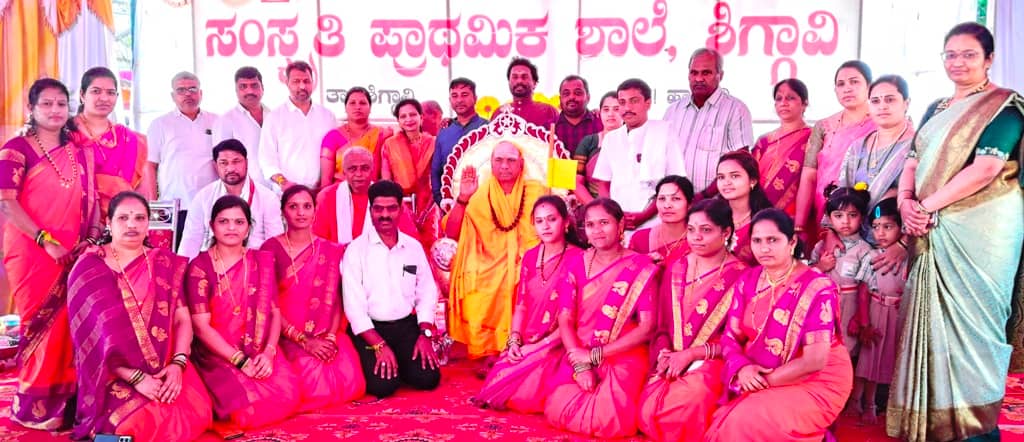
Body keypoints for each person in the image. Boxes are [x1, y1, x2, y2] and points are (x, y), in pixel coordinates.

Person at [889, 22, 1024, 442]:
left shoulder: (1005, 107)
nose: (958, 62)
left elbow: (986, 168)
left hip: (982, 234)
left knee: (977, 325)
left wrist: (924, 208)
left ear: (989, 59)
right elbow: (912, 161)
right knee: (931, 326)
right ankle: (932, 424)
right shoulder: (936, 108)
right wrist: (905, 202)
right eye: (951, 54)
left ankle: (977, 430)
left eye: (969, 54)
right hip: (931, 227)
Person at [68, 192, 212, 441]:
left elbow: (182, 319)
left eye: (139, 218)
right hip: (110, 372)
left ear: (148, 224)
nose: (132, 224)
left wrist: (177, 365)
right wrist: (136, 378)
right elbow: (89, 343)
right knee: (128, 426)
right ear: (109, 223)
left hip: (165, 364)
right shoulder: (89, 268)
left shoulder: (164, 263)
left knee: (194, 412)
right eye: (123, 218)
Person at [1, 78, 100, 430]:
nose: (55, 110)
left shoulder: (80, 150)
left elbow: (92, 200)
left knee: (70, 327)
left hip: (75, 252)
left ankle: (69, 405)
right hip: (32, 252)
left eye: (61, 103)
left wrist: (91, 238)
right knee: (39, 325)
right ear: (31, 108)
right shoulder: (16, 149)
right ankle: (35, 406)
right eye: (46, 103)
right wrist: (46, 241)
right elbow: (6, 203)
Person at [706, 209, 853, 441]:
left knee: (742, 421)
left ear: (792, 242)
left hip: (816, 377)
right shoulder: (748, 281)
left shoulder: (818, 287)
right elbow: (731, 337)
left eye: (772, 240)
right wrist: (742, 369)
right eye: (757, 241)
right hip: (760, 369)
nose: (764, 248)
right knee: (718, 407)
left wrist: (759, 383)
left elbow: (814, 361)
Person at [543, 198, 657, 438]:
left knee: (609, 419)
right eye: (590, 224)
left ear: (620, 224)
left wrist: (596, 355)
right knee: (558, 407)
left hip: (622, 351)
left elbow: (647, 327)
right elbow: (565, 318)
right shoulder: (576, 263)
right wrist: (581, 363)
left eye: (604, 222)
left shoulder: (640, 266)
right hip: (580, 347)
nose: (597, 230)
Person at [637, 198, 748, 442]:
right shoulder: (677, 267)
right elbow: (663, 325)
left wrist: (691, 355)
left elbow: (740, 339)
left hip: (713, 358)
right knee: (648, 408)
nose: (696, 237)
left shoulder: (742, 276)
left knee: (689, 399)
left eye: (706, 230)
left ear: (726, 232)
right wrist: (664, 351)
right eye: (691, 229)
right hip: (673, 354)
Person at [186, 195, 299, 429]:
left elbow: (274, 312)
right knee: (245, 410)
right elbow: (200, 327)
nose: (231, 228)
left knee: (288, 395)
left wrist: (269, 353)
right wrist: (240, 360)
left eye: (239, 222)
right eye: (224, 221)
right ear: (212, 226)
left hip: (258, 347)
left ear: (248, 228)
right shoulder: (200, 267)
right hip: (218, 352)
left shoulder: (261, 262)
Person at [474, 196, 584, 412]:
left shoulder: (579, 258)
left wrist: (539, 347)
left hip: (561, 340)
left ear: (566, 222)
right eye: (539, 221)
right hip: (528, 336)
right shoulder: (531, 257)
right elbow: (521, 305)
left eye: (552, 219)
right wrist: (514, 341)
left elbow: (576, 316)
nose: (545, 226)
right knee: (498, 381)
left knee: (524, 397)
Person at [261, 185, 365, 409]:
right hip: (285, 334)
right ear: (283, 212)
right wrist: (303, 341)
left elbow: (337, 299)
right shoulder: (270, 249)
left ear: (315, 211)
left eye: (307, 206)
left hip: (326, 331)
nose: (301, 213)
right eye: (293, 207)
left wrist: (330, 337)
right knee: (311, 385)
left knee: (350, 381)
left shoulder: (331, 250)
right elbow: (268, 303)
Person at [446, 141, 546, 360]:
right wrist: (463, 199)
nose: (504, 165)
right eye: (499, 160)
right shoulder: (479, 195)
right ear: (491, 164)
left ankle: (521, 346)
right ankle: (490, 349)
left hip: (530, 260)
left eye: (511, 160)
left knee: (519, 280)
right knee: (478, 284)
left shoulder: (537, 192)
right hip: (487, 262)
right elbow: (451, 233)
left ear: (521, 164)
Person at [342, 180, 442, 398]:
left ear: (401, 209)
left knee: (428, 378)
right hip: (370, 330)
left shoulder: (413, 247)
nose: (385, 215)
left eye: (391, 208)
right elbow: (354, 308)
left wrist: (425, 334)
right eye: (378, 209)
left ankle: (400, 362)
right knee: (383, 386)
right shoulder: (355, 251)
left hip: (406, 326)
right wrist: (379, 346)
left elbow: (427, 292)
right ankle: (392, 363)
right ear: (370, 211)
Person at [794, 61, 876, 244]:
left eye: (854, 82)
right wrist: (799, 226)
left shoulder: (883, 124)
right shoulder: (823, 126)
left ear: (869, 87)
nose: (847, 88)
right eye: (841, 84)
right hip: (826, 212)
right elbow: (809, 176)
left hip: (868, 212)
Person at [593, 78, 687, 234]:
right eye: (622, 102)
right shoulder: (611, 138)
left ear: (648, 103)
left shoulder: (664, 132)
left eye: (634, 101)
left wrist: (645, 215)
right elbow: (603, 183)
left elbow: (675, 182)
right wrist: (613, 213)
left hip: (656, 222)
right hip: (619, 222)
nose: (627, 108)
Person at [835, 75, 915, 245]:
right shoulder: (858, 147)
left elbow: (924, 201)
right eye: (875, 101)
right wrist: (831, 233)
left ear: (906, 103)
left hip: (901, 244)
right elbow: (841, 194)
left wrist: (903, 244)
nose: (882, 106)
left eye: (890, 100)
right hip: (854, 242)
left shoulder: (918, 146)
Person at [849, 198, 907, 426]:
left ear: (902, 228)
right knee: (869, 359)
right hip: (875, 313)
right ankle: (860, 402)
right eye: (875, 227)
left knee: (886, 360)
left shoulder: (908, 256)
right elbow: (863, 292)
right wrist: (865, 323)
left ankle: (879, 404)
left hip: (897, 315)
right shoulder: (872, 257)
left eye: (888, 226)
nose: (880, 233)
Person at [663, 48, 753, 194]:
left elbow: (740, 166)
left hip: (714, 202)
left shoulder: (735, 110)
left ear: (720, 75)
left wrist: (704, 197)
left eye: (706, 73)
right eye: (694, 73)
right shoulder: (673, 111)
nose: (699, 79)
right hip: (675, 201)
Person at [145, 71, 219, 248]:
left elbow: (224, 161)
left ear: (201, 93)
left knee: (209, 257)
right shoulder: (160, 124)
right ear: (173, 96)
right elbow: (150, 166)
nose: (187, 94)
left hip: (211, 204)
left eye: (192, 89)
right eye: (181, 90)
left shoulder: (217, 121)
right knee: (173, 256)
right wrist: (154, 205)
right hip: (174, 205)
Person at [178, 139, 283, 258]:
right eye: (224, 163)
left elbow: (274, 243)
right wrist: (183, 268)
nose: (231, 168)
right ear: (215, 166)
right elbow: (191, 240)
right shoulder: (203, 197)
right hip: (213, 263)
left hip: (252, 263)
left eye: (236, 161)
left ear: (247, 163)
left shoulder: (267, 198)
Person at [74, 67, 154, 216]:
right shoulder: (65, 134)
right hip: (73, 219)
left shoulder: (132, 140)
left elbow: (142, 194)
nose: (104, 98)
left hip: (120, 221)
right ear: (82, 95)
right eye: (96, 91)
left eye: (110, 93)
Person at [809, 185, 873, 358]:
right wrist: (821, 267)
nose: (845, 221)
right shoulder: (821, 245)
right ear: (829, 218)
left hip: (849, 305)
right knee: (821, 346)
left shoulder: (865, 250)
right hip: (822, 304)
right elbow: (806, 277)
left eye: (852, 215)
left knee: (846, 348)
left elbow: (865, 288)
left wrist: (859, 317)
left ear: (862, 217)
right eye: (838, 216)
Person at [313, 147, 418, 245]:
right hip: (337, 256)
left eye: (364, 168)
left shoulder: (389, 197)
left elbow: (410, 240)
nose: (359, 174)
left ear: (372, 170)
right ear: (344, 172)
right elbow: (318, 241)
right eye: (352, 169)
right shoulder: (327, 197)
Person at [259, 61, 338, 192]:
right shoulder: (274, 118)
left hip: (320, 192)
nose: (302, 86)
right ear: (287, 83)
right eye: (296, 81)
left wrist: (325, 186)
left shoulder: (327, 116)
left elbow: (335, 154)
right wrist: (284, 183)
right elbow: (267, 159)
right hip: (286, 194)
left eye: (306, 81)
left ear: (313, 82)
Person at [381, 98, 438, 251]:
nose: (408, 119)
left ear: (421, 117)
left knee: (429, 249)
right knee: (403, 249)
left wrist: (425, 212)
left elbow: (438, 180)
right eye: (403, 116)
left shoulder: (433, 143)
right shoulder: (390, 145)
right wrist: (399, 207)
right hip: (400, 206)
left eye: (412, 115)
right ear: (398, 122)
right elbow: (387, 183)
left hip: (429, 205)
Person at [750, 78, 811, 217]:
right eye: (779, 98)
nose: (783, 103)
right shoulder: (764, 141)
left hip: (796, 215)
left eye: (790, 98)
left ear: (804, 103)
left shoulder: (813, 138)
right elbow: (750, 178)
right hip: (759, 213)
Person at [431, 77, 488, 205]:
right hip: (451, 204)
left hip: (482, 204)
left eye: (465, 95)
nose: (459, 100)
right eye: (454, 96)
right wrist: (441, 200)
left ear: (475, 98)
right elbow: (436, 171)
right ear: (450, 100)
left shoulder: (487, 128)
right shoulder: (444, 132)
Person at [320, 87, 393, 187]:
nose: (357, 107)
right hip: (340, 192)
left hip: (371, 192)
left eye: (362, 103)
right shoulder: (333, 137)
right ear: (345, 108)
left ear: (370, 108)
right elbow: (326, 180)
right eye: (352, 103)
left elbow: (386, 175)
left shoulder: (382, 134)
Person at [212, 66, 271, 190]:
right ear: (236, 91)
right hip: (244, 191)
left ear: (263, 88)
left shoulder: (274, 116)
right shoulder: (225, 121)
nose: (249, 91)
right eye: (243, 86)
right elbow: (222, 162)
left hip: (276, 189)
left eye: (254, 85)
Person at [714, 150, 774, 266]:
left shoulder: (768, 221)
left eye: (734, 176)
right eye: (721, 177)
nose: (726, 182)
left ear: (753, 180)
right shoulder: (711, 216)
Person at [628, 175, 695, 267]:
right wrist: (645, 264)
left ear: (689, 204)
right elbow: (628, 272)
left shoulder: (698, 241)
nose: (667, 205)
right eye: (662, 199)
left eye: (676, 199)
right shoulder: (640, 239)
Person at [573, 91, 623, 204]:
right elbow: (576, 182)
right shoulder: (588, 142)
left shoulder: (633, 142)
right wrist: (596, 208)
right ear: (600, 113)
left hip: (626, 205)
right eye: (606, 109)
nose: (611, 114)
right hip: (592, 203)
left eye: (616, 109)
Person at [499, 57, 557, 128]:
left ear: (534, 83)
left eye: (524, 77)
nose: (519, 81)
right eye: (515, 77)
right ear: (509, 82)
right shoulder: (499, 113)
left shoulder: (548, 112)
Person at [555, 75, 603, 157]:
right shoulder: (549, 128)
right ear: (560, 99)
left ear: (588, 97)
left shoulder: (601, 124)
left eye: (578, 93)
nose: (571, 97)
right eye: (566, 94)